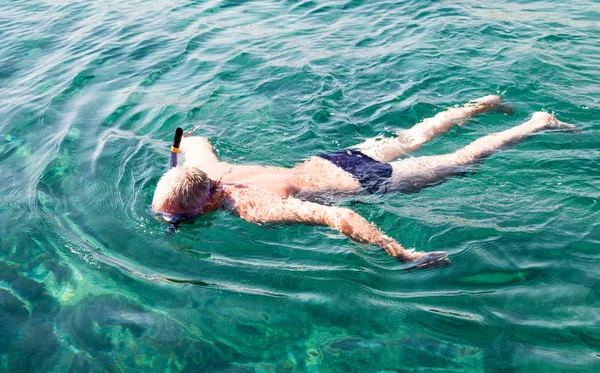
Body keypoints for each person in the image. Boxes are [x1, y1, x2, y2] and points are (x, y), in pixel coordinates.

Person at [152, 95, 575, 267]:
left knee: (466, 157)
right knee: (420, 134)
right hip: (334, 160)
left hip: (367, 183)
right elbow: (195, 140)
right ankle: (482, 104)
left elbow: (339, 215)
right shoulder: (206, 166)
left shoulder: (252, 209)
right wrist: (183, 141)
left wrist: (402, 254)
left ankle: (538, 123)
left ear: (205, 206)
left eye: (181, 218)